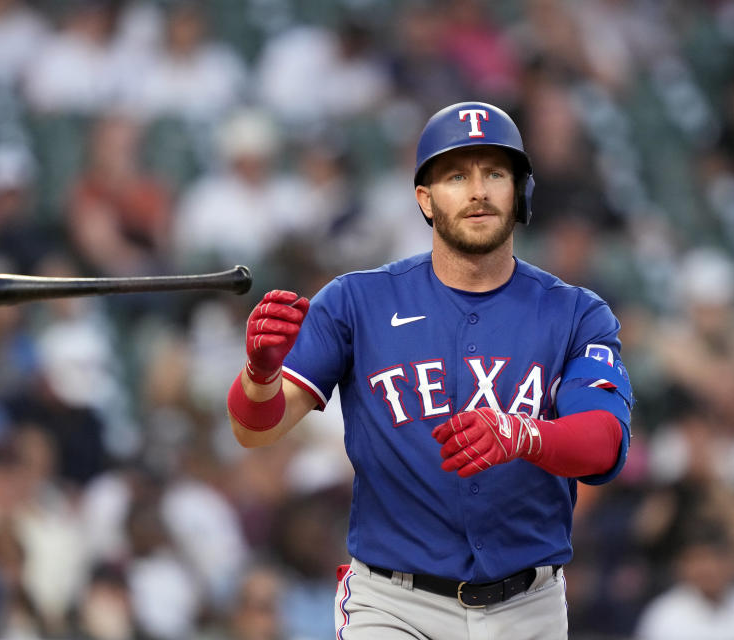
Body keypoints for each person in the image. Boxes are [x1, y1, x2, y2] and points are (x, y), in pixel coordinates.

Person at [226, 102, 634, 639]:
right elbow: (255, 429)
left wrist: (521, 434)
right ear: (424, 199)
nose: (478, 190)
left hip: (527, 607)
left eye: (495, 172)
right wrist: (259, 372)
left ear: (520, 192)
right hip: (394, 603)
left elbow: (606, 444)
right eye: (456, 175)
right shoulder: (357, 301)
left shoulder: (575, 312)